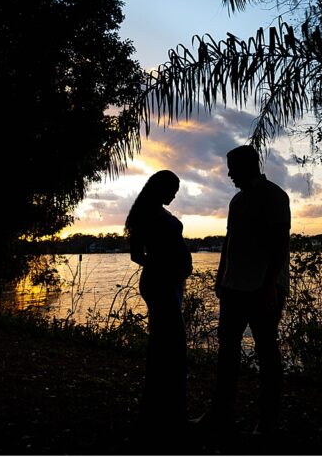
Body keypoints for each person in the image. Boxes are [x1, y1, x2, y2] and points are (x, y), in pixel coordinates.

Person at [198, 145, 291, 435]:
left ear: (248, 166)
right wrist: (220, 276)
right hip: (234, 286)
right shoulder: (236, 201)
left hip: (264, 288)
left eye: (232, 169)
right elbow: (229, 241)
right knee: (227, 351)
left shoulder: (275, 196)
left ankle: (268, 419)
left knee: (266, 351)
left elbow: (280, 244)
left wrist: (268, 286)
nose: (229, 174)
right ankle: (220, 411)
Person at [125, 170, 192, 434]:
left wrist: (172, 270)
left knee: (164, 344)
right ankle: (169, 413)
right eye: (172, 189)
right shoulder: (147, 214)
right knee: (172, 346)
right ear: (160, 187)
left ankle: (159, 409)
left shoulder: (148, 211)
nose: (175, 194)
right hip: (161, 284)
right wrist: (165, 267)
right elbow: (136, 255)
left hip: (167, 283)